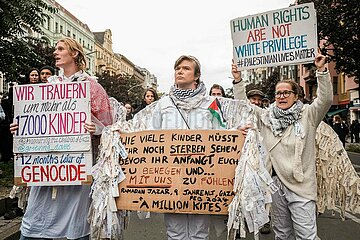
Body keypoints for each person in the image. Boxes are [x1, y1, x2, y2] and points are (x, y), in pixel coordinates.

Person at [11, 37, 113, 240]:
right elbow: (36, 119)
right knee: (36, 215)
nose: (55, 52)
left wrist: (98, 129)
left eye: (60, 48)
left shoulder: (92, 87)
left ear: (74, 53)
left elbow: (110, 128)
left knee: (74, 218)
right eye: (55, 49)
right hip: (46, 163)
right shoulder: (47, 86)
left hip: (77, 165)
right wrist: (19, 128)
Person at [233, 52, 333, 239]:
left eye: (286, 92)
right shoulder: (266, 117)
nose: (281, 96)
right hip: (276, 187)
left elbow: (325, 100)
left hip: (302, 188)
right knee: (282, 234)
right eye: (278, 93)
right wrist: (238, 80)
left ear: (296, 96)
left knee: (306, 236)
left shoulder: (308, 115)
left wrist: (321, 71)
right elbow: (243, 105)